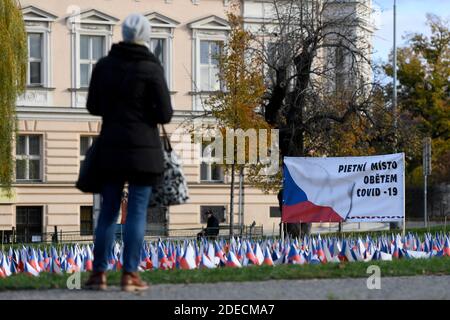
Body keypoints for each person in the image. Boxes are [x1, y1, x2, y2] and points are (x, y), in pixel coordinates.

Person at [84, 13, 173, 292]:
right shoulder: (152, 67)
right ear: (145, 36)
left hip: (110, 147)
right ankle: (130, 275)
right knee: (135, 213)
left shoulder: (104, 66)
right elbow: (166, 113)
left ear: (122, 34)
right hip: (143, 150)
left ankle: (98, 274)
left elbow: (93, 106)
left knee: (108, 212)